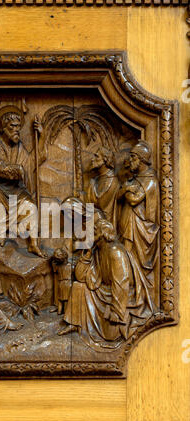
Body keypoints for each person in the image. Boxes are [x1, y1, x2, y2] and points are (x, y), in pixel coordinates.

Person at [58, 216, 155, 348]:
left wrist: (116, 310)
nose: (90, 236)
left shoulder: (115, 252)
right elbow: (81, 276)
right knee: (77, 286)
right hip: (104, 291)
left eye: (94, 232)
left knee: (111, 334)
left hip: (122, 298)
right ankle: (74, 324)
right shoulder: (98, 251)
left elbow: (121, 284)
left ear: (102, 234)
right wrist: (86, 256)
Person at [0, 105, 46, 257]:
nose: (17, 130)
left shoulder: (18, 146)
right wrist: (20, 170)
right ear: (3, 127)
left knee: (30, 206)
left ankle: (33, 244)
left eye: (19, 127)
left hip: (14, 190)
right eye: (13, 126)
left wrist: (41, 137)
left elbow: (30, 163)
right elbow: (0, 168)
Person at [118, 140, 159, 287]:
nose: (130, 161)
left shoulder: (150, 180)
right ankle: (124, 283)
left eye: (133, 157)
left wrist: (126, 189)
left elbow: (134, 200)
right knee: (124, 253)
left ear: (141, 159)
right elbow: (119, 195)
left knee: (129, 255)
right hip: (128, 222)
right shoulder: (135, 179)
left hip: (138, 226)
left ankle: (129, 285)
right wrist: (127, 188)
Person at [86, 145, 120, 230]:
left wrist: (92, 187)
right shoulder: (98, 178)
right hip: (92, 221)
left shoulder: (112, 181)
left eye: (97, 156)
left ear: (105, 160)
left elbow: (101, 203)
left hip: (103, 228)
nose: (93, 159)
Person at [51, 248, 73, 315]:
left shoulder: (58, 267)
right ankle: (66, 312)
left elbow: (55, 270)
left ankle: (59, 311)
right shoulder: (71, 266)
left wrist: (53, 263)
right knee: (66, 299)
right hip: (68, 284)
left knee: (60, 299)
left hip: (61, 283)